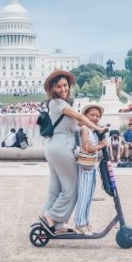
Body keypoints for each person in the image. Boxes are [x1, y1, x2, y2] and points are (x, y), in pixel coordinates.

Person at [39, 70, 107, 235]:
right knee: (72, 187)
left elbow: (74, 125)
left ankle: (53, 225)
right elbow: (80, 117)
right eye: (59, 86)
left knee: (56, 189)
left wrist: (85, 130)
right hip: (62, 147)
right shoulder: (59, 103)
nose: (64, 89)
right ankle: (51, 216)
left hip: (54, 147)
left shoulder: (57, 104)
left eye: (65, 85)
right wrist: (97, 127)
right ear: (53, 88)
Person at [73, 103, 108, 235]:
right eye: (92, 115)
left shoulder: (93, 131)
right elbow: (87, 147)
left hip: (91, 166)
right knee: (83, 195)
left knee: (89, 196)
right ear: (85, 116)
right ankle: (79, 223)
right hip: (85, 167)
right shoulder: (84, 129)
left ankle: (86, 221)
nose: (94, 118)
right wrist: (101, 145)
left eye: (97, 116)